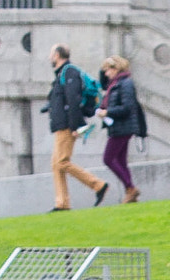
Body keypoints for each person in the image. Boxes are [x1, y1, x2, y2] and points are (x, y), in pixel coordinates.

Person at [46, 44, 108, 212]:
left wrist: (76, 125)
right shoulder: (61, 74)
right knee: (56, 164)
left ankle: (97, 185)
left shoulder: (69, 72)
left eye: (51, 54)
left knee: (62, 162)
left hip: (67, 124)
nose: (49, 57)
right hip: (60, 124)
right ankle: (62, 203)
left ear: (58, 55)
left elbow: (73, 100)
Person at [97, 56, 146, 205]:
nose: (106, 73)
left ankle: (130, 188)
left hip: (123, 127)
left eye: (108, 69)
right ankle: (130, 192)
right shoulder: (115, 83)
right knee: (120, 160)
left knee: (108, 158)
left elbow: (127, 107)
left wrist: (108, 112)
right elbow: (102, 83)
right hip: (118, 126)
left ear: (116, 68)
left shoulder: (125, 83)